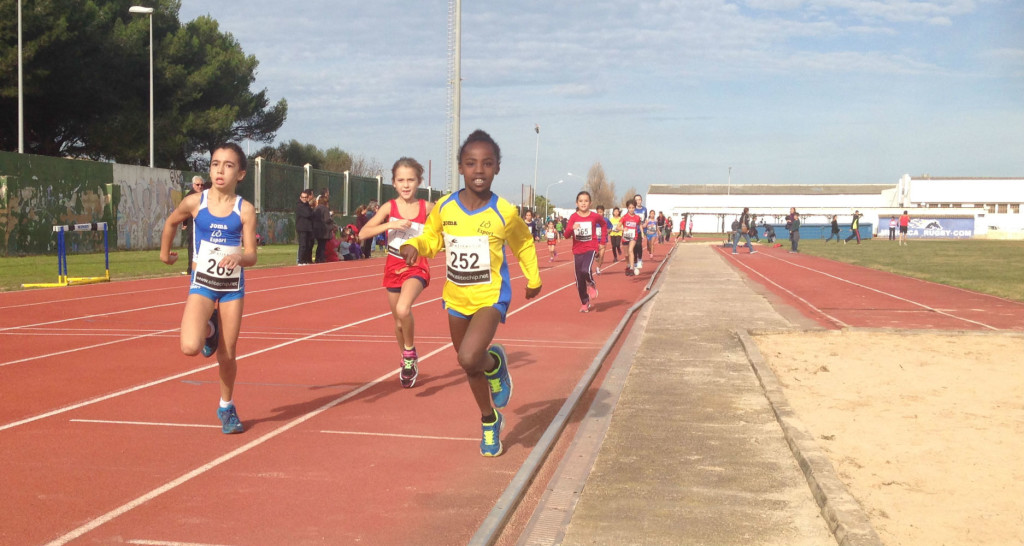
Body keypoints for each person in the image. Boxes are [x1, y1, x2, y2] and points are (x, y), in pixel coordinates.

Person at [400, 129, 542, 457]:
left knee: (467, 355)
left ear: (497, 168)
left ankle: (493, 363)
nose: (479, 170)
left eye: (487, 163)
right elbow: (431, 239)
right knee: (470, 365)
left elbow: (523, 242)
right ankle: (490, 418)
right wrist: (413, 245)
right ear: (461, 168)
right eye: (471, 163)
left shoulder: (504, 212)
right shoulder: (446, 208)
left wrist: (533, 278)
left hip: (491, 296)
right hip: (456, 298)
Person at [159, 143, 256, 434]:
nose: (220, 170)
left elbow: (252, 254)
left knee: (227, 355)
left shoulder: (245, 209)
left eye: (228, 165)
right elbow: (171, 222)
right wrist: (165, 253)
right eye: (215, 164)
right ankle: (210, 329)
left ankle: (226, 406)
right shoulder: (195, 202)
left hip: (231, 288)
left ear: (240, 173)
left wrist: (238, 256)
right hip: (201, 284)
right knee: (190, 347)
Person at [357, 157, 434, 388]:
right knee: (399, 323)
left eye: (411, 180)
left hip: (417, 266)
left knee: (404, 308)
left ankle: (409, 354)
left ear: (419, 182)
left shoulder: (427, 208)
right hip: (393, 267)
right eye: (401, 180)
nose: (406, 184)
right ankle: (406, 359)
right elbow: (362, 233)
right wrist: (390, 225)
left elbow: (449, 223)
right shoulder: (389, 207)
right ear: (394, 182)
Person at [563, 191, 601, 313]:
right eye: (581, 201)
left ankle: (591, 284)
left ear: (590, 203)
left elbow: (604, 224)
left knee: (586, 269)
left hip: (591, 247)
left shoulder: (595, 216)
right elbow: (566, 235)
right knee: (579, 279)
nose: (583, 203)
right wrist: (571, 228)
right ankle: (584, 302)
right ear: (577, 203)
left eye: (586, 201)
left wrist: (602, 240)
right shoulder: (574, 217)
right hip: (578, 250)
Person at [182, 175, 210, 275]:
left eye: (202, 185)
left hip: (204, 225)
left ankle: (205, 267)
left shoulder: (206, 195)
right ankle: (191, 268)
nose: (200, 187)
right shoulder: (189, 196)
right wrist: (184, 223)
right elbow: (183, 211)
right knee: (192, 246)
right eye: (197, 185)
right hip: (192, 225)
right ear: (193, 185)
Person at [620, 200, 642, 276]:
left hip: (633, 236)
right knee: (626, 254)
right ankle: (628, 265)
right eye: (630, 208)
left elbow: (640, 225)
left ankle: (632, 267)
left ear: (635, 208)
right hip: (625, 237)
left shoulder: (637, 217)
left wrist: (642, 233)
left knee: (630, 250)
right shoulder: (624, 217)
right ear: (627, 208)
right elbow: (618, 227)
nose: (631, 209)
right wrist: (623, 229)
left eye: (633, 208)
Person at [295, 189, 314, 264]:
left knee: (308, 245)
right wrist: (311, 211)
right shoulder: (299, 206)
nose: (305, 199)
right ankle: (300, 260)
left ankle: (306, 260)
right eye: (303, 197)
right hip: (302, 228)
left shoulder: (307, 205)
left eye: (306, 197)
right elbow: (308, 214)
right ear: (300, 197)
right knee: (302, 245)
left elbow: (311, 213)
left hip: (308, 228)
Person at [312, 195, 332, 263]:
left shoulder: (316, 208)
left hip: (316, 229)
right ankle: (321, 258)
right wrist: (331, 220)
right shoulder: (325, 209)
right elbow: (327, 219)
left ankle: (318, 258)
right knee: (322, 246)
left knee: (319, 245)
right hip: (323, 230)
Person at [591, 205, 611, 275]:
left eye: (601, 212)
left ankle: (598, 268)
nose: (600, 213)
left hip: (603, 240)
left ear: (603, 212)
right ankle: (596, 256)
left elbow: (610, 228)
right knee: (596, 254)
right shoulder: (594, 220)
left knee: (602, 255)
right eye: (598, 212)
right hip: (595, 240)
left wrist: (606, 232)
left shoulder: (606, 220)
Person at [631, 194, 647, 269]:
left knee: (639, 245)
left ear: (641, 200)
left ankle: (640, 259)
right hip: (632, 231)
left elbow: (645, 219)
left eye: (639, 199)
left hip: (640, 230)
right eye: (636, 200)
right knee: (634, 247)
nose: (638, 201)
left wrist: (645, 224)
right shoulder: (632, 209)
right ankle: (635, 261)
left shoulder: (644, 209)